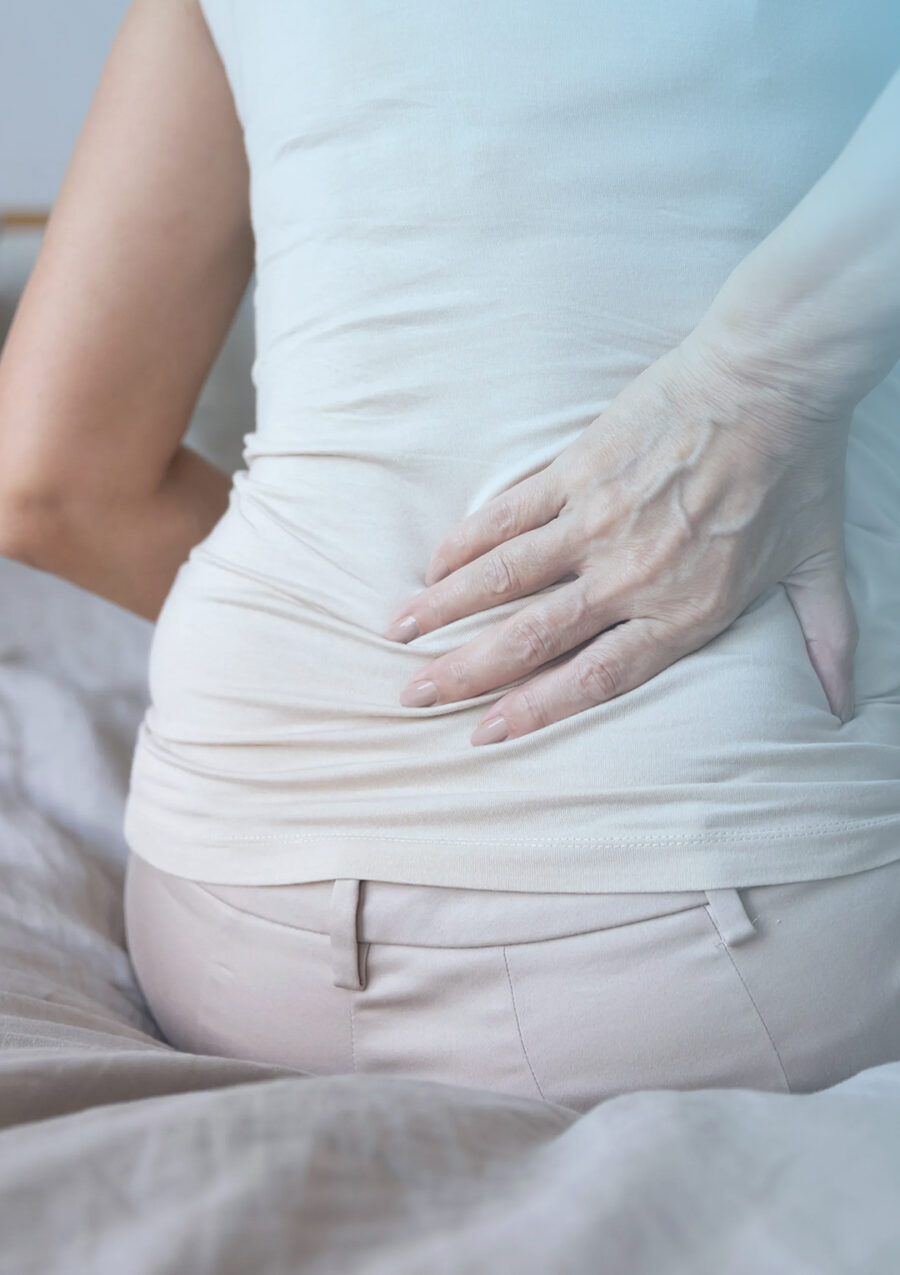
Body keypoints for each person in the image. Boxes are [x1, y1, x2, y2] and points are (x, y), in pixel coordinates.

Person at [0, 0, 898, 1114]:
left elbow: (52, 485)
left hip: (229, 914)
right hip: (738, 931)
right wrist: (760, 382)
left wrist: (383, 655)